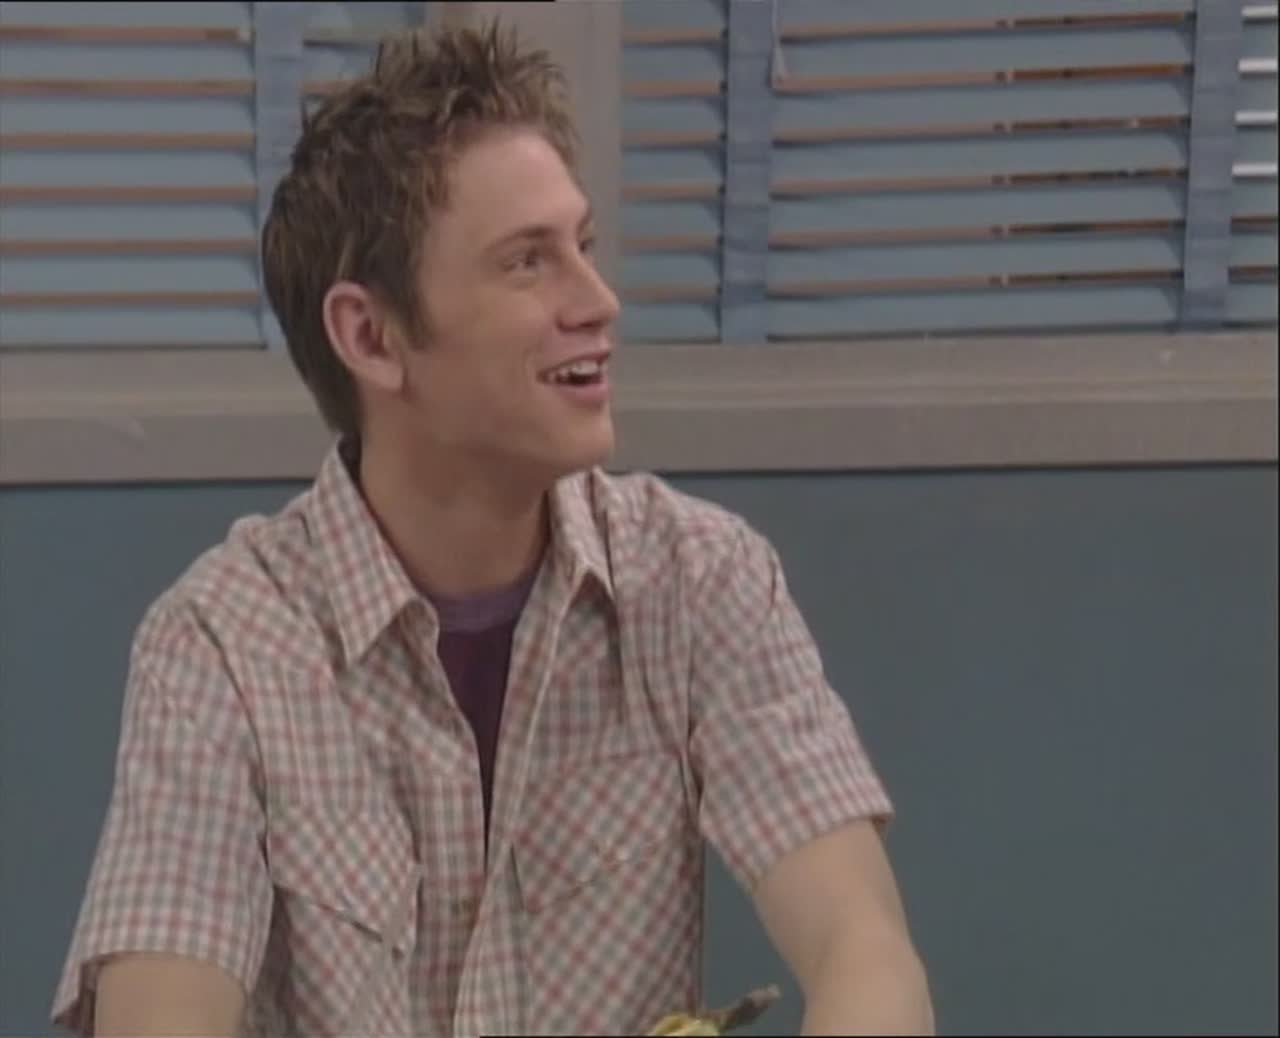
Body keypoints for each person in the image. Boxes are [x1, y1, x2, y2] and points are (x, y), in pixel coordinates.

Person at [52, 20, 934, 1038]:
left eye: (582, 248)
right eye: (527, 263)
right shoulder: (221, 646)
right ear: (371, 337)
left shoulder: (701, 578)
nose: (597, 301)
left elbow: (866, 955)